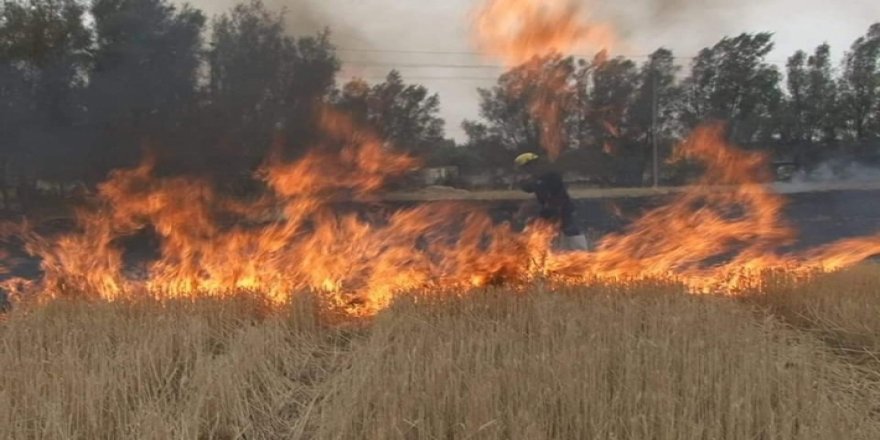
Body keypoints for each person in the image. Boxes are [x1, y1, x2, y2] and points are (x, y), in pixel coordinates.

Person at [514, 152, 590, 251]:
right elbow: (529, 188)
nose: (525, 171)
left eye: (525, 167)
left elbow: (557, 193)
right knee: (543, 233)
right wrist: (521, 182)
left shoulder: (550, 175)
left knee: (570, 230)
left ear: (531, 164)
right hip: (548, 211)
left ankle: (583, 253)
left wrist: (554, 207)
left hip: (562, 209)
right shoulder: (536, 178)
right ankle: (549, 255)